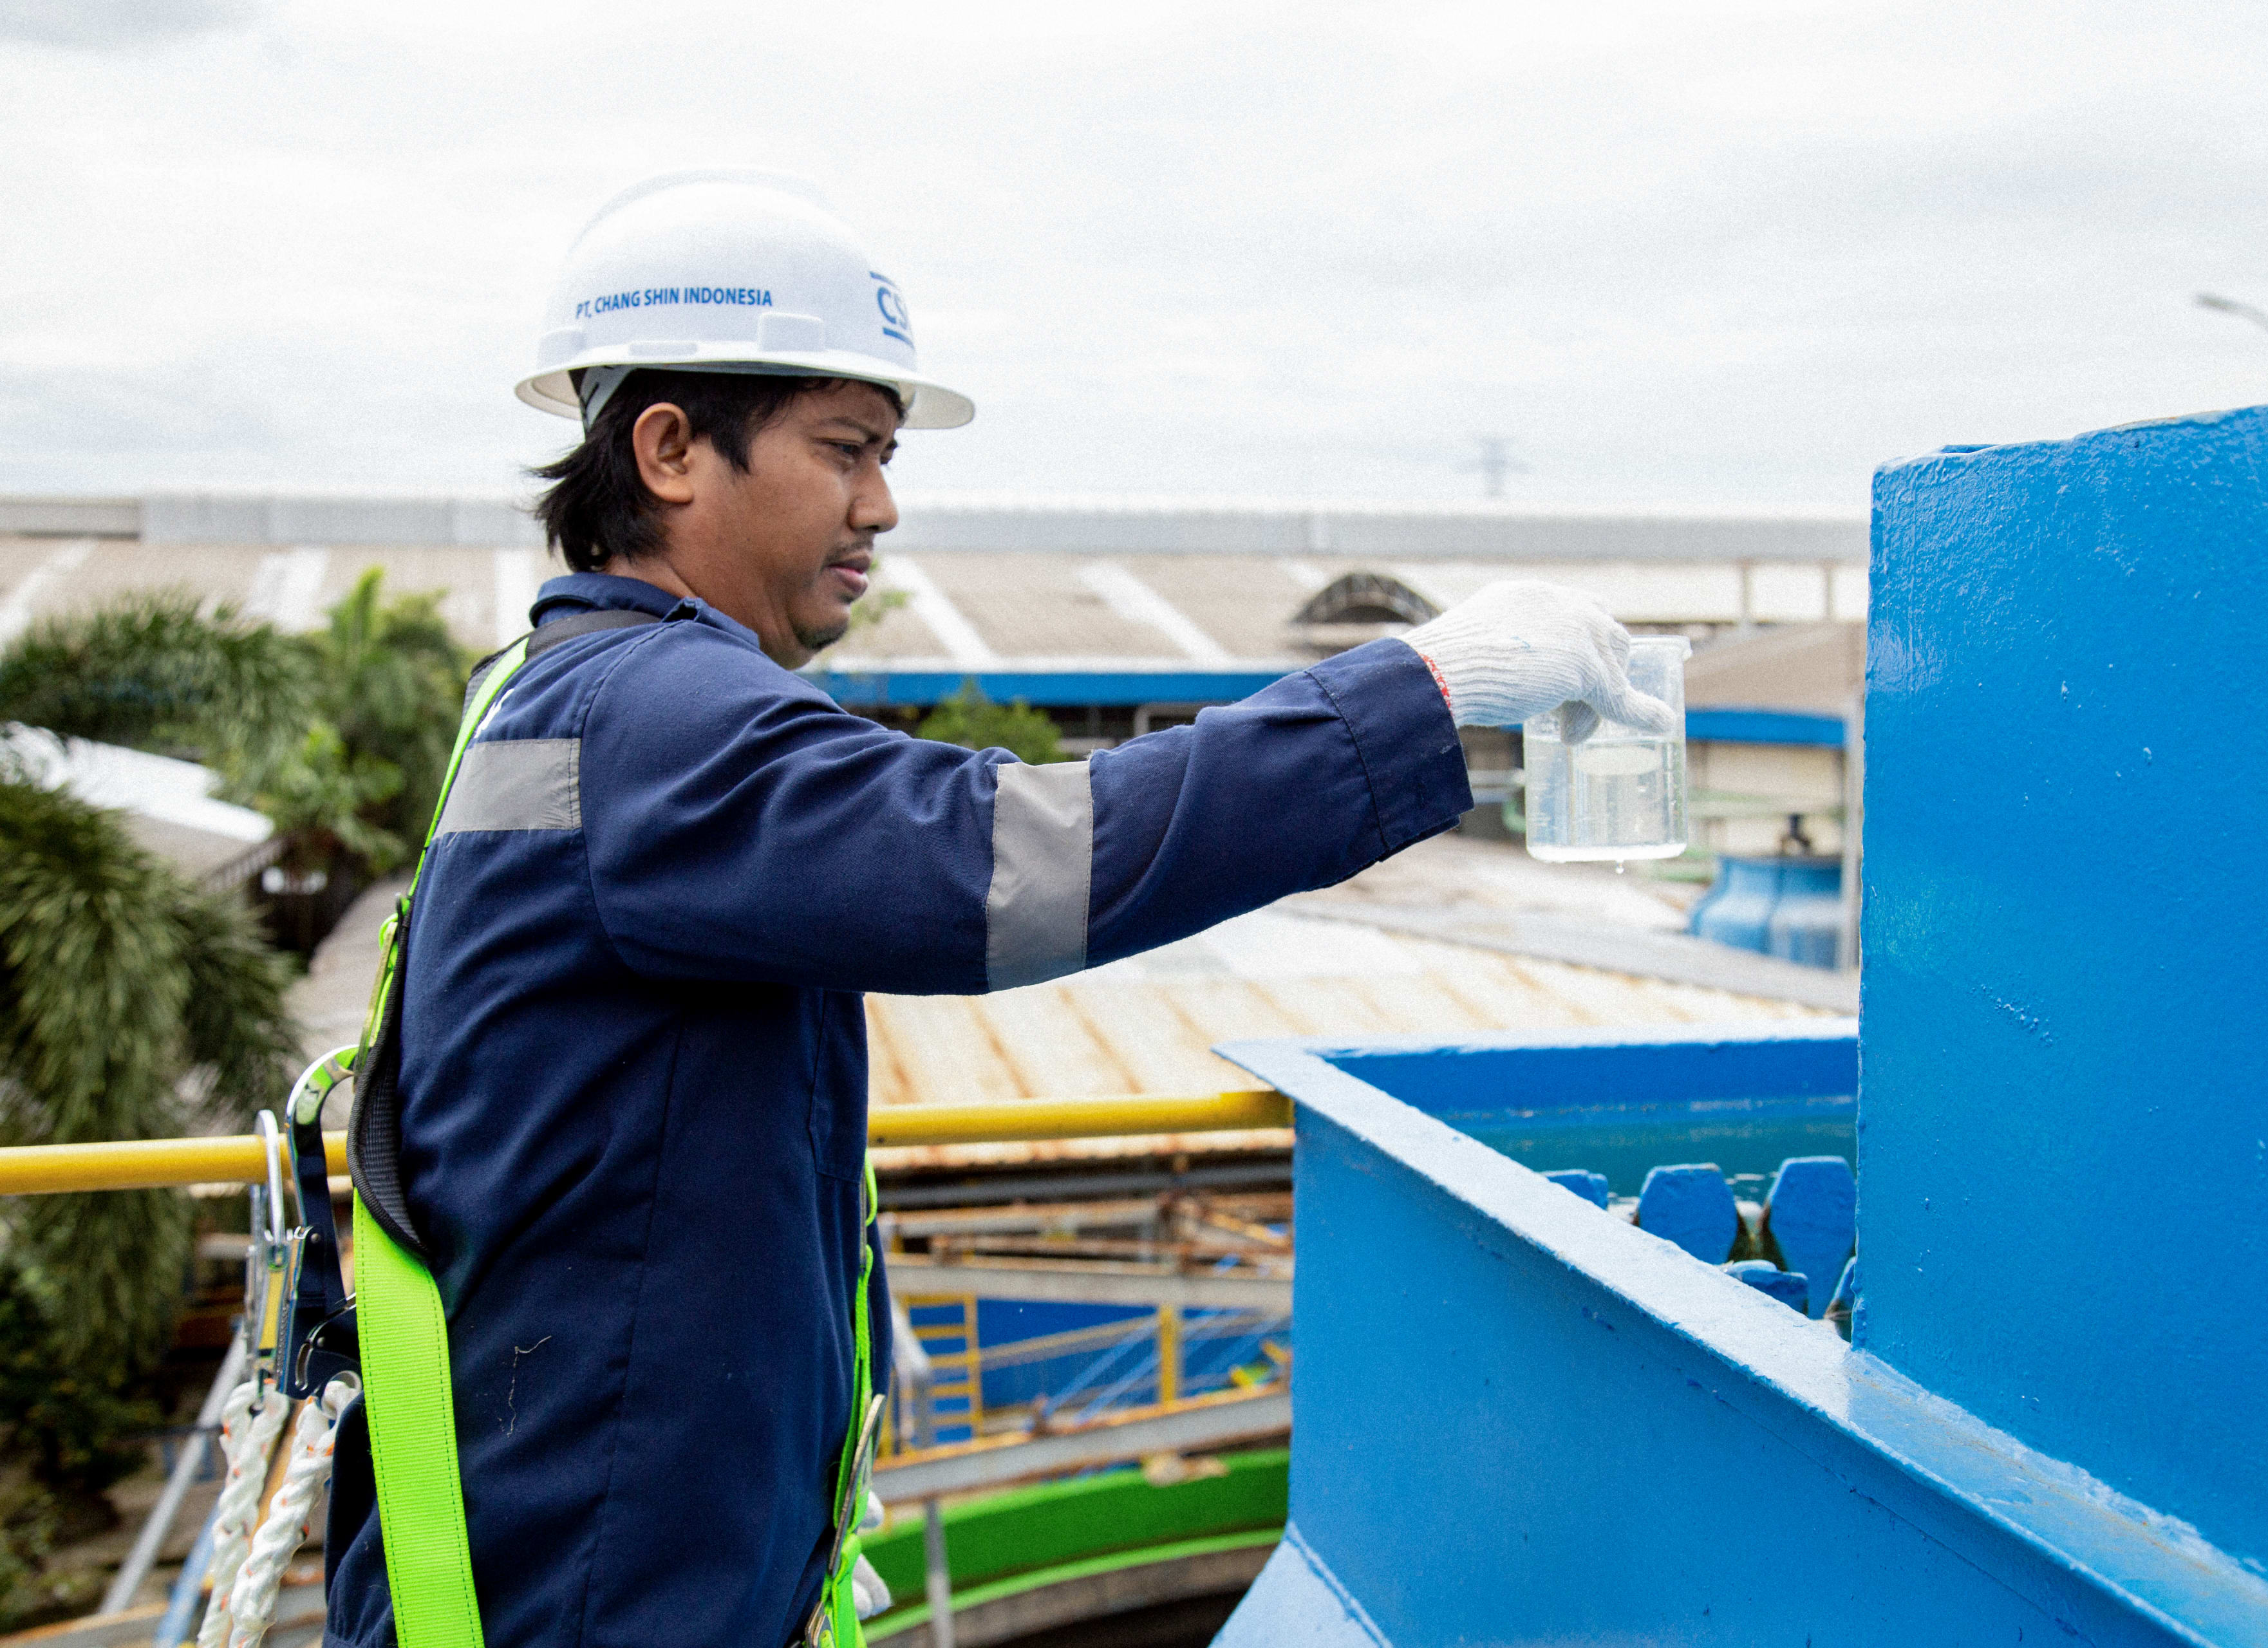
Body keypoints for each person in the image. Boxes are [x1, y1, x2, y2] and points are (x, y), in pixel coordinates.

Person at [319, 169, 1664, 1648]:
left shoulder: (537, 693)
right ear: (671, 448)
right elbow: (1028, 858)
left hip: (556, 1552)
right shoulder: (665, 717)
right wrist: (1425, 691)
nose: (882, 506)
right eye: (846, 450)